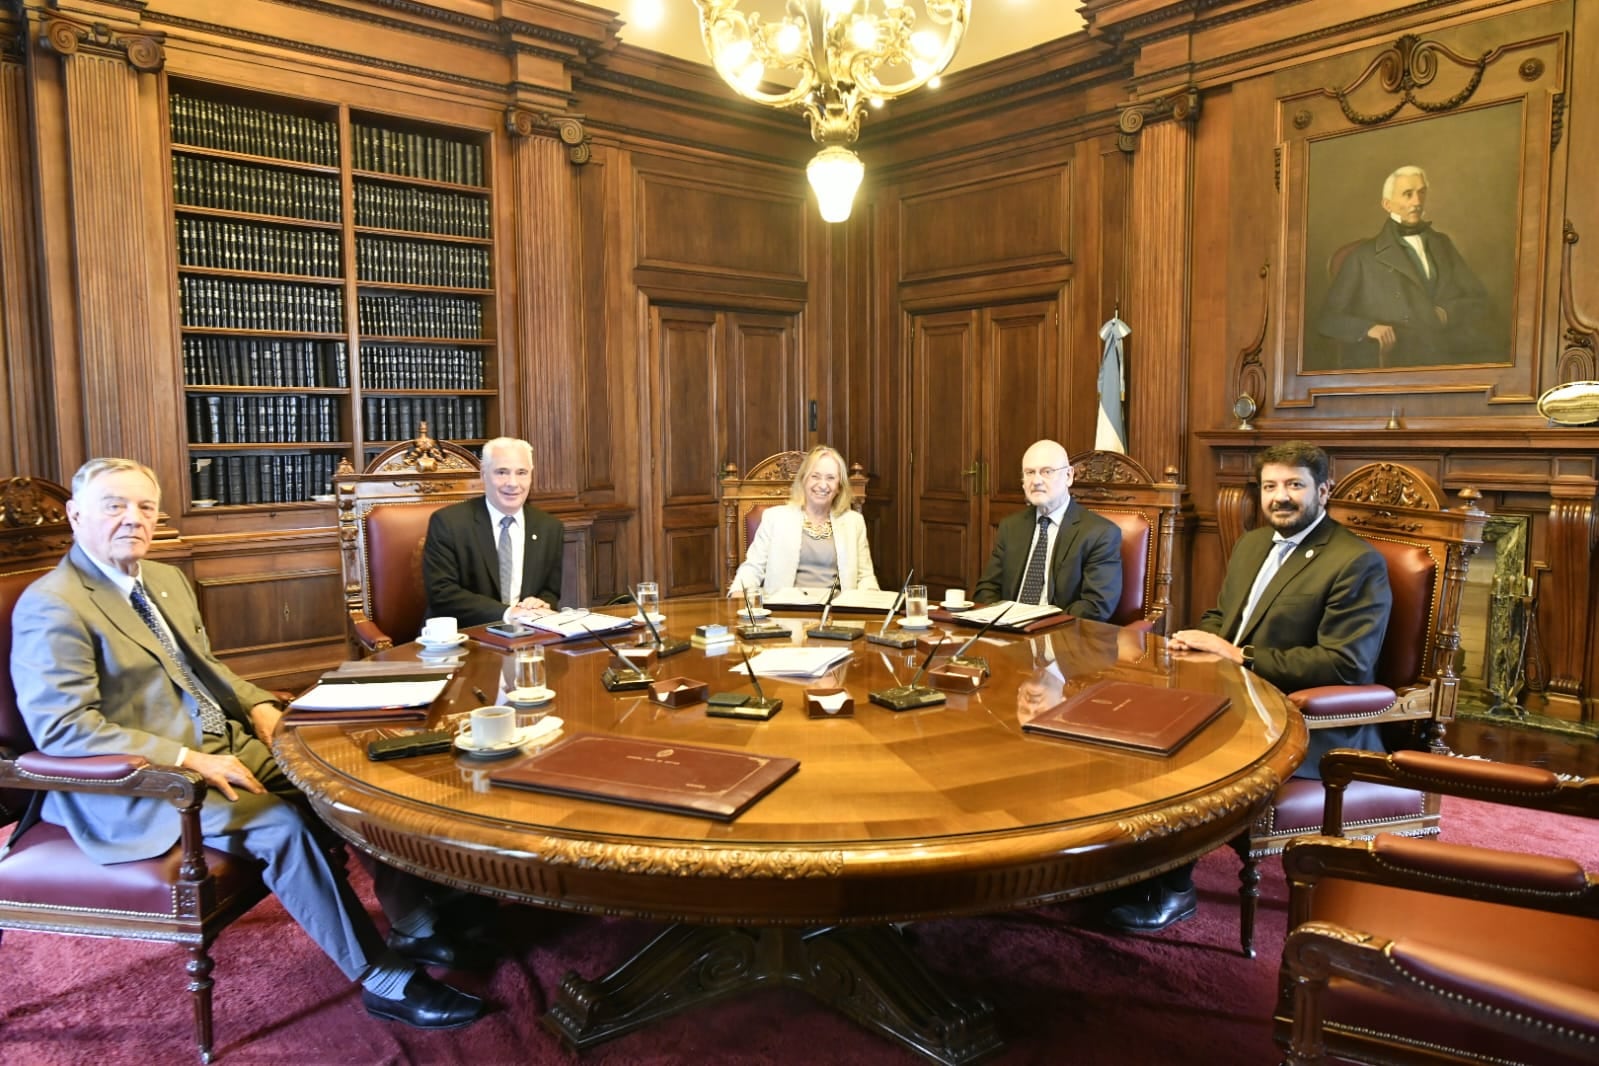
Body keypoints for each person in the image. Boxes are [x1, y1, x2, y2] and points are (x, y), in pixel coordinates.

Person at [9, 458, 486, 1029]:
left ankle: (412, 921)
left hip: (222, 743)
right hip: (143, 780)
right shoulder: (54, 603)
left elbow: (204, 669)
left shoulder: (163, 579)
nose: (131, 519)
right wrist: (188, 759)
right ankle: (380, 976)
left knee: (343, 776)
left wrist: (258, 702)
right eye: (114, 505)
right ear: (76, 514)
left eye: (144, 507)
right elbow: (63, 729)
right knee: (276, 824)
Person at [1103, 440, 1393, 933]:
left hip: (1309, 720)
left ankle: (1174, 889)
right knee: (1132, 724)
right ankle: (1131, 868)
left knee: (1185, 752)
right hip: (1232, 697)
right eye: (1270, 486)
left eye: (1295, 485)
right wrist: (1199, 644)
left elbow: (1346, 663)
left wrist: (1240, 656)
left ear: (1323, 490)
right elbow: (1225, 618)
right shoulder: (1253, 543)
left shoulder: (1354, 563)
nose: (1281, 497)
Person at [1314, 165, 1498, 369]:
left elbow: (1479, 300)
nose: (1417, 202)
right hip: (1399, 360)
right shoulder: (1363, 256)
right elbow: (1328, 319)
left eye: (1421, 193)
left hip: (1450, 355)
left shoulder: (1442, 244)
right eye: (1407, 194)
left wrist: (1446, 314)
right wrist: (1368, 328)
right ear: (1387, 204)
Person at [973, 440, 1122, 621]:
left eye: (1047, 472)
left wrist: (1037, 624)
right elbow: (987, 589)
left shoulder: (1100, 533)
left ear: (1068, 476)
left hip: (1061, 637)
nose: (1036, 481)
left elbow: (1096, 605)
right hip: (1006, 633)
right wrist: (1000, 623)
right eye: (1029, 473)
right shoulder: (1010, 527)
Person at [424, 437, 564, 626]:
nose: (513, 483)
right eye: (502, 472)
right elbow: (442, 593)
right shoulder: (448, 523)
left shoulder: (550, 527)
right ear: (483, 475)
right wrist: (508, 613)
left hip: (527, 636)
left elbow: (550, 591)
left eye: (521, 472)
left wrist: (540, 604)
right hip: (465, 637)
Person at [729, 445, 879, 596]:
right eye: (815, 476)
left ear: (839, 486)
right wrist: (738, 593)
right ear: (803, 480)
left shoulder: (854, 522)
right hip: (787, 611)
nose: (822, 485)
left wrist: (874, 599)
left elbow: (865, 576)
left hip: (838, 612)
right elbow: (753, 568)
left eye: (831, 478)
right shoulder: (774, 518)